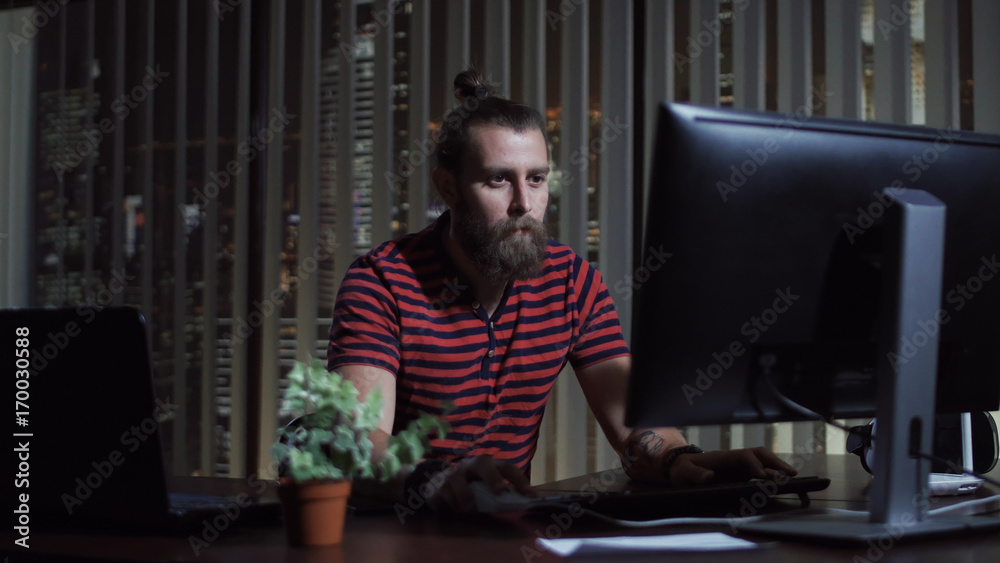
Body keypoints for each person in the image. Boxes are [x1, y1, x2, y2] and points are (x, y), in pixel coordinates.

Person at [327, 68, 796, 512]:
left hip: (504, 535)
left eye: (536, 179)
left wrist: (678, 459)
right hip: (396, 534)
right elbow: (359, 443)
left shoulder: (571, 281)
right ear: (448, 187)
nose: (524, 204)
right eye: (498, 180)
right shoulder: (382, 282)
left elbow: (630, 424)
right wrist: (433, 479)